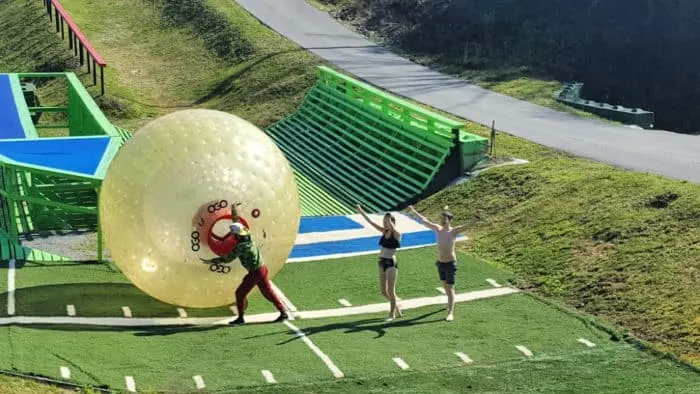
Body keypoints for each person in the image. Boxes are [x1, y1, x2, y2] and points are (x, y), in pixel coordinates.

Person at [202, 221, 288, 325]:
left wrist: (212, 261)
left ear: (235, 234)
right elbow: (239, 226)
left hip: (255, 272)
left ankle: (240, 318)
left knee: (240, 293)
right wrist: (234, 216)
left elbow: (228, 259)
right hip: (262, 268)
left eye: (232, 233)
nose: (230, 234)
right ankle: (283, 312)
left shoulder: (241, 247)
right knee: (267, 292)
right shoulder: (249, 235)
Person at [407, 205, 470, 322]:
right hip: (440, 263)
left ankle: (450, 312)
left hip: (450, 263)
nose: (442, 220)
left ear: (450, 220)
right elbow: (424, 220)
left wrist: (475, 219)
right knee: (445, 286)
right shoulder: (438, 228)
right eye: (442, 218)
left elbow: (466, 226)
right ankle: (449, 303)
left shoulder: (454, 231)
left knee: (450, 289)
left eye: (445, 218)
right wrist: (414, 211)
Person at [356, 204, 402, 321]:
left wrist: (389, 220)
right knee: (383, 291)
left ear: (392, 222)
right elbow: (370, 222)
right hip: (381, 262)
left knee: (391, 291)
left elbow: (394, 229)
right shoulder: (384, 231)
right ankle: (396, 306)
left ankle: (392, 314)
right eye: (384, 221)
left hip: (391, 263)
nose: (385, 223)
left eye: (387, 222)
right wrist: (361, 210)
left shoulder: (397, 234)